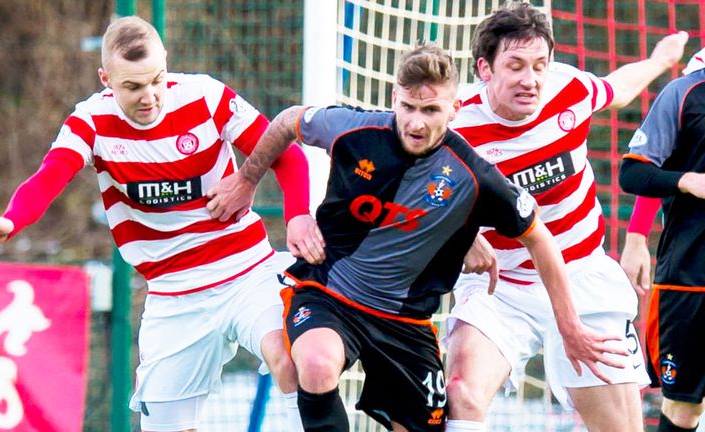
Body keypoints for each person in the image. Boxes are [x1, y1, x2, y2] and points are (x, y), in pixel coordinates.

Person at [206, 43, 624, 432]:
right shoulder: (353, 129)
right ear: (394, 99)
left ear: (454, 109)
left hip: (406, 322)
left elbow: (540, 239)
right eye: (408, 107)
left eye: (430, 110)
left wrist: (569, 327)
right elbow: (288, 120)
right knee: (314, 365)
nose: (416, 122)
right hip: (330, 295)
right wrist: (247, 180)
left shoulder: (475, 176)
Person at [0, 16, 320, 432]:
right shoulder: (91, 122)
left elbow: (288, 156)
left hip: (247, 271)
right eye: (133, 86)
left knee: (295, 360)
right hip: (173, 294)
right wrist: (11, 219)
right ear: (106, 79)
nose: (149, 96)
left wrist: (298, 216)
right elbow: (49, 177)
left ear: (166, 61)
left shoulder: (206, 96)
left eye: (156, 79)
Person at [442, 3, 688, 431]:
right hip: (501, 284)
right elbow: (406, 185)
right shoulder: (453, 123)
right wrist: (459, 235)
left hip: (582, 273)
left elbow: (618, 89)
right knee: (461, 393)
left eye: (540, 65)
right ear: (484, 68)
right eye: (515, 65)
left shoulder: (569, 88)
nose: (530, 79)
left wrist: (659, 60)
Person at [619, 46, 705, 432]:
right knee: (684, 409)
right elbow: (640, 171)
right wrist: (637, 235)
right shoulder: (685, 92)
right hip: (690, 278)